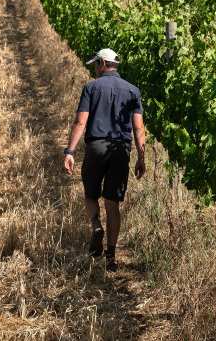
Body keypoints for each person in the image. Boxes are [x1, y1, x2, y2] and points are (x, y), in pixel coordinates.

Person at [63, 48, 146, 272]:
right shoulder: (132, 91)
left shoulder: (91, 87)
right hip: (121, 149)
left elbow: (81, 122)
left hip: (96, 146)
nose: (95, 69)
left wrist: (69, 151)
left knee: (90, 194)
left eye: (95, 65)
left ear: (102, 63)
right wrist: (141, 156)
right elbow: (138, 128)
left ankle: (95, 225)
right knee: (113, 203)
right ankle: (111, 255)